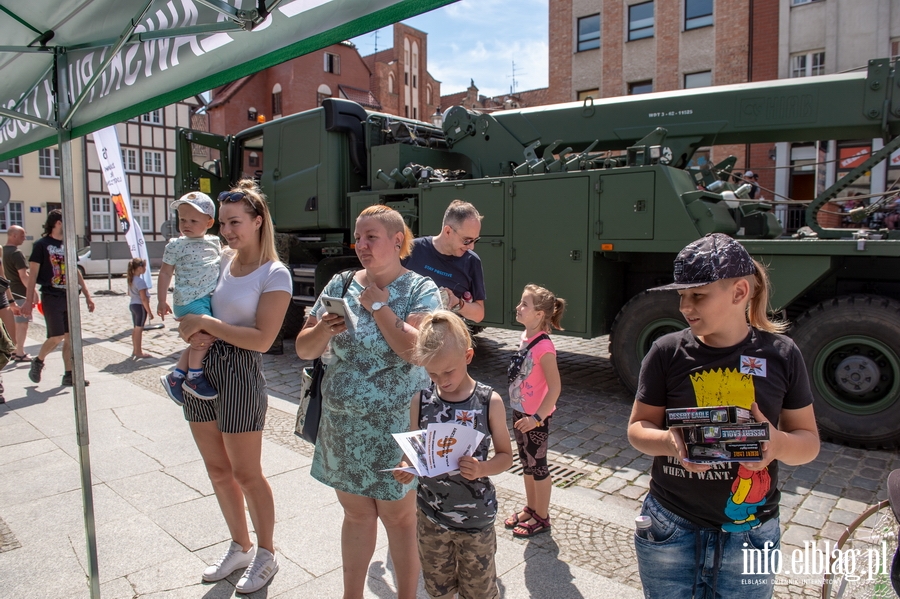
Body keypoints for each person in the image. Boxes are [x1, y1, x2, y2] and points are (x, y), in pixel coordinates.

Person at [626, 233, 820, 598]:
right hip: (670, 526)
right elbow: (637, 429)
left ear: (739, 292)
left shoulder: (782, 353)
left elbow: (808, 444)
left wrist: (777, 444)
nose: (685, 306)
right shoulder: (666, 351)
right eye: (682, 295)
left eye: (698, 295)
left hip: (751, 532)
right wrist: (671, 442)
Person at [295, 205, 441, 599]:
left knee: (399, 520)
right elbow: (303, 348)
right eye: (357, 237)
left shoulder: (420, 289)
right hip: (344, 426)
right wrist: (324, 330)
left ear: (397, 241)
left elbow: (417, 351)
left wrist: (378, 306)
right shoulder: (340, 284)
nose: (360, 245)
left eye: (370, 237)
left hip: (398, 427)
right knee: (356, 515)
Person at [175, 179, 291, 594]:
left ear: (259, 222)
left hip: (242, 370)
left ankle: (266, 553)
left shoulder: (275, 273)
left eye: (235, 222)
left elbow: (262, 339)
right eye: (223, 223)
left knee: (246, 472)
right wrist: (190, 325)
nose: (227, 231)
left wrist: (206, 324)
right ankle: (239, 545)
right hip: (203, 365)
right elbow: (192, 299)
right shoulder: (218, 260)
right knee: (217, 469)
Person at [394, 310, 512, 599]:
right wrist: (405, 465)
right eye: (432, 373)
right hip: (431, 517)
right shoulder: (420, 401)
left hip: (476, 522)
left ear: (468, 357)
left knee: (479, 592)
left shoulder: (488, 401)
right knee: (438, 589)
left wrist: (482, 469)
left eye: (449, 371)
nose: (442, 380)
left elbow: (507, 456)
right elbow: (416, 451)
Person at [504, 284, 565, 538]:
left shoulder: (544, 348)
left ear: (539, 314)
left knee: (538, 466)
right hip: (521, 413)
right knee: (526, 464)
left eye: (524, 304)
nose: (519, 308)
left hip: (535, 419)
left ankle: (542, 515)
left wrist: (537, 418)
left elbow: (555, 388)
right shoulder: (526, 338)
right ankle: (531, 507)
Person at [157, 192, 222, 405]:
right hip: (188, 299)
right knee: (204, 337)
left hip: (203, 299)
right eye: (182, 219)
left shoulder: (214, 242)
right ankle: (194, 377)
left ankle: (176, 377)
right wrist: (161, 299)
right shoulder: (176, 245)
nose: (186, 224)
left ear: (209, 222)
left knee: (198, 341)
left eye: (193, 220)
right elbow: (165, 272)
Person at [21, 210, 95, 387]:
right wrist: (28, 299)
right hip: (51, 295)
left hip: (69, 297)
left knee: (71, 337)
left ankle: (69, 374)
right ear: (58, 223)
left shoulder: (68, 245)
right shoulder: (41, 245)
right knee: (57, 336)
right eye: (67, 222)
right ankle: (38, 361)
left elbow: (75, 270)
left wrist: (87, 295)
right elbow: (32, 275)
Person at [402, 199, 486, 322]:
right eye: (467, 240)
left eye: (475, 240)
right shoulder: (411, 249)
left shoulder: (471, 261)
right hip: (408, 333)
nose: (471, 247)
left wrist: (458, 303)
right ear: (448, 231)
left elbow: (479, 315)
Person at [3, 225, 31, 362]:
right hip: (19, 292)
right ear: (13, 236)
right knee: (22, 323)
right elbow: (23, 275)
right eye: (22, 236)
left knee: (12, 324)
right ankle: (19, 352)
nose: (24, 238)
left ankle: (13, 350)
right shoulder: (16, 253)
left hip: (7, 294)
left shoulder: (3, 252)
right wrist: (32, 292)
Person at [127, 258, 153, 359]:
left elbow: (129, 293)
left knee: (135, 328)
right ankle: (138, 351)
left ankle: (135, 349)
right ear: (139, 268)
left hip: (133, 304)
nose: (145, 269)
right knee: (139, 329)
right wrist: (149, 312)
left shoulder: (131, 279)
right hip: (139, 306)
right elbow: (144, 299)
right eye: (144, 266)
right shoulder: (140, 281)